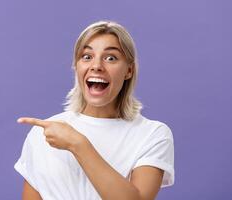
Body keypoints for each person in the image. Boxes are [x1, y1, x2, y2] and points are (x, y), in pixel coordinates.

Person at [14, 20, 175, 200]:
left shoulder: (153, 134)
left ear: (129, 70)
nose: (96, 66)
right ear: (77, 66)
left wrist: (79, 145)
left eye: (110, 58)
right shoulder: (44, 133)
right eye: (87, 56)